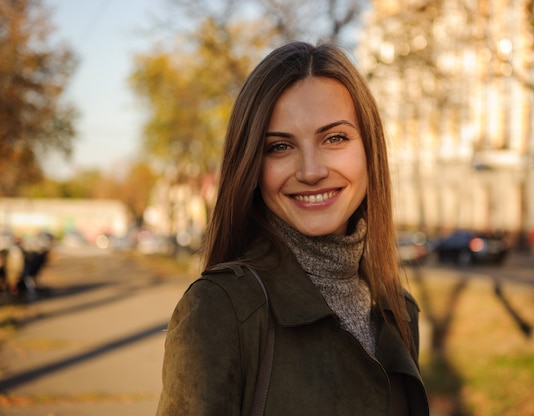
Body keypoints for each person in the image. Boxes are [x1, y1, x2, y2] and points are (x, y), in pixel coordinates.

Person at [156, 41, 429, 416]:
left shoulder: (397, 311)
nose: (311, 171)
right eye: (280, 147)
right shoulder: (222, 310)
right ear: (252, 166)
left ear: (369, 150)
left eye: (334, 138)